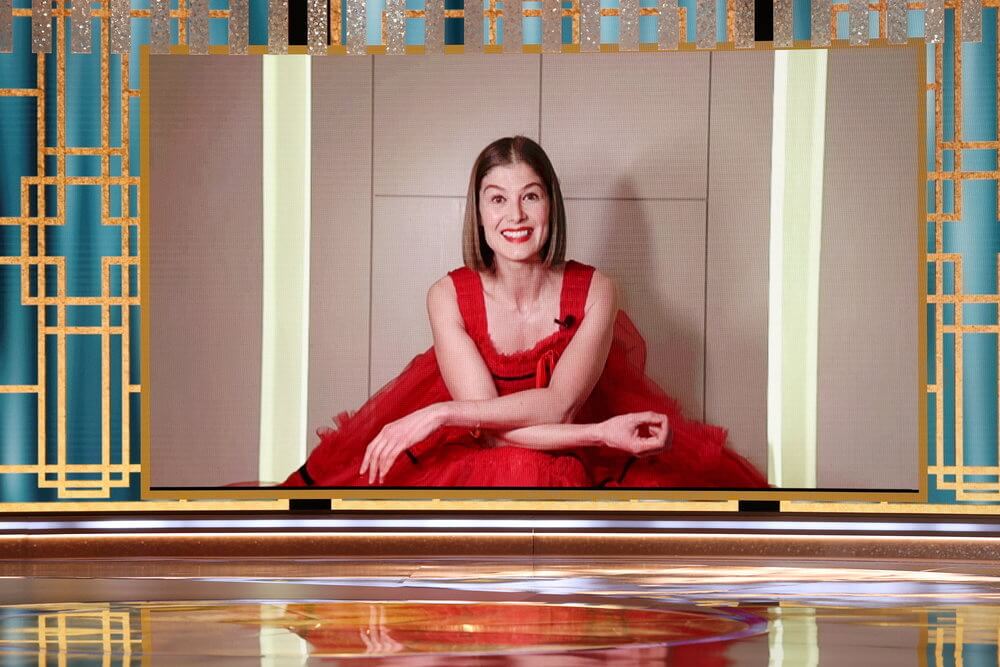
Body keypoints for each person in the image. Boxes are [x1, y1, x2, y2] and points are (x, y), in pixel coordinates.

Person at [281, 136, 767, 488]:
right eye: (497, 199)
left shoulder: (598, 290)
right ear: (478, 212)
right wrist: (601, 435)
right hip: (478, 458)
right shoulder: (446, 295)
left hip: (579, 452)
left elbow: (558, 406)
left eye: (529, 197)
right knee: (516, 469)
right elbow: (490, 434)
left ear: (550, 207)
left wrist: (438, 414)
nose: (514, 216)